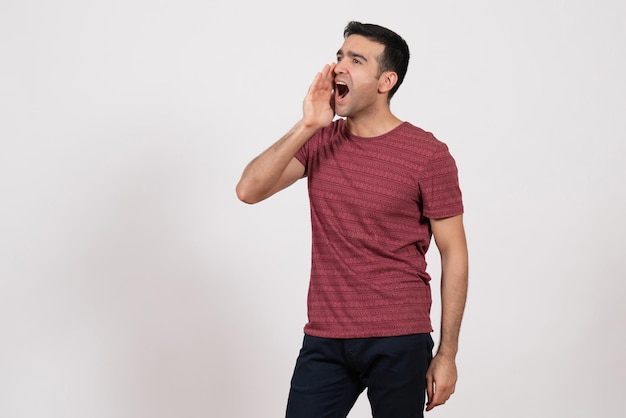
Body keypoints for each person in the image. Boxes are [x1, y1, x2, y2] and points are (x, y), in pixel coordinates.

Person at [236, 21, 468, 418]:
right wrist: (307, 124)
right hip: (325, 337)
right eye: (340, 55)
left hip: (399, 335)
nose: (339, 66)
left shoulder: (428, 154)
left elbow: (455, 254)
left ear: (385, 81)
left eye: (356, 60)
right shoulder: (320, 141)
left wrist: (447, 354)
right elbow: (249, 190)